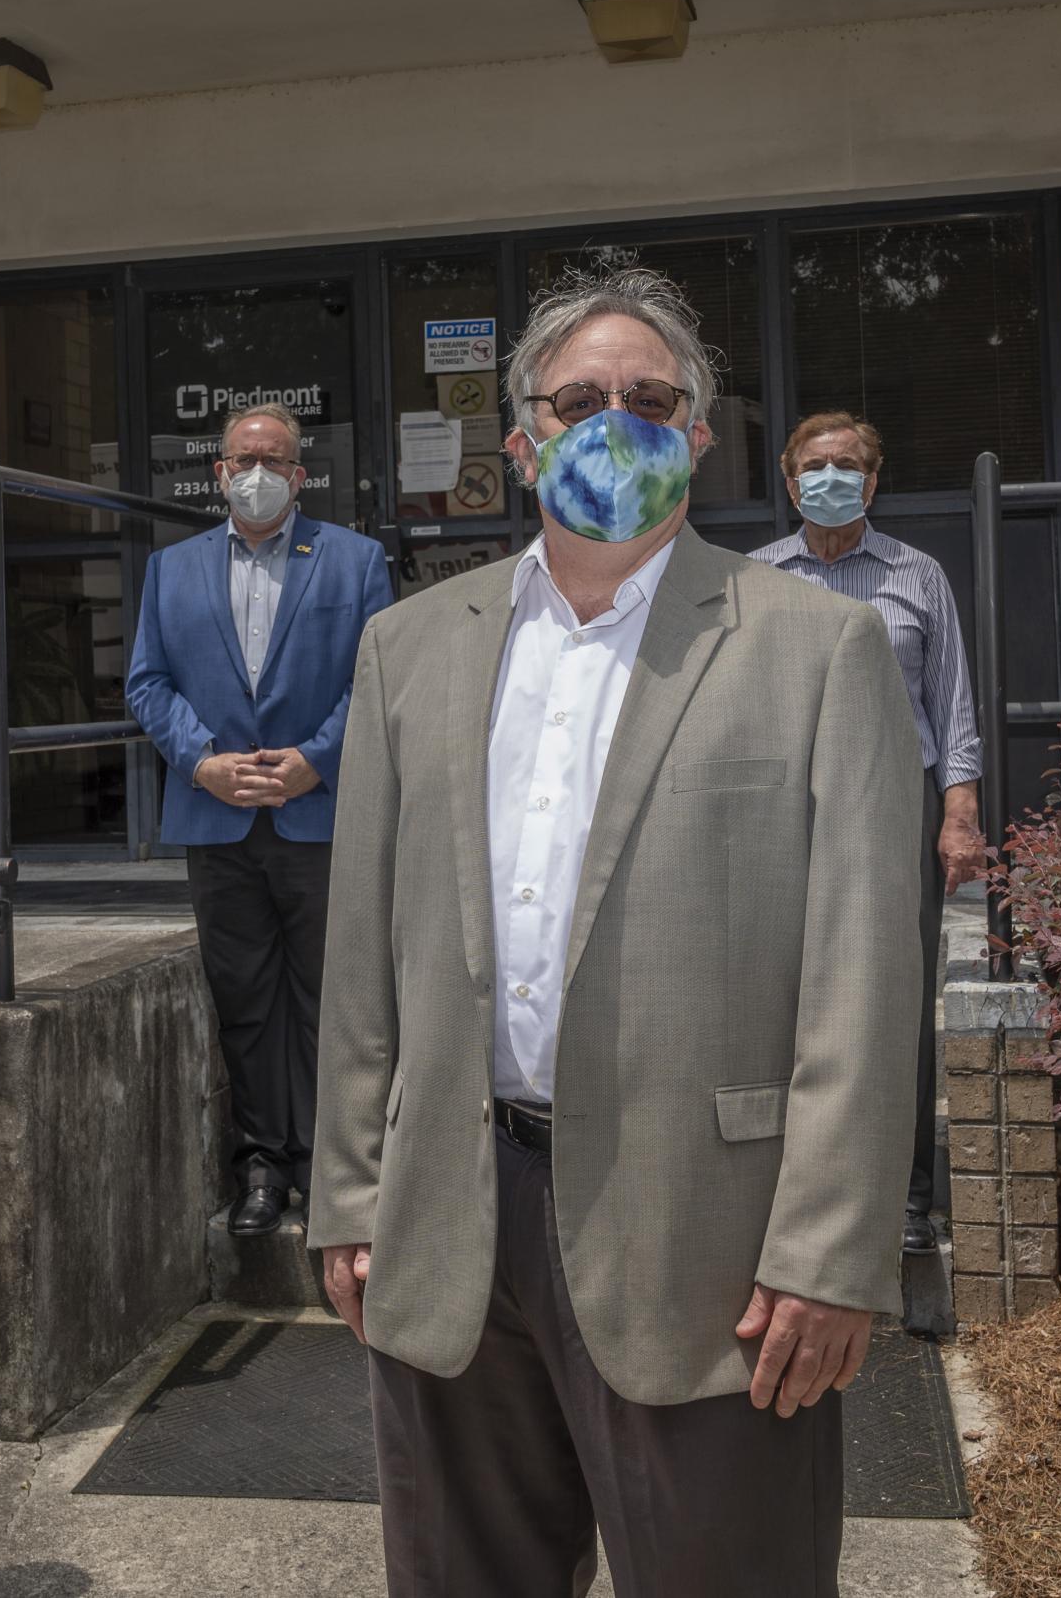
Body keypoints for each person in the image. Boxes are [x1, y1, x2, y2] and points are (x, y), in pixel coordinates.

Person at [308, 269, 923, 1597]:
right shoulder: (409, 647)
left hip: (710, 1243)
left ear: (699, 435)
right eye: (578, 401)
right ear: (521, 441)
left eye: (649, 399)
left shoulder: (820, 648)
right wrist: (350, 1196)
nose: (614, 424)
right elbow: (361, 954)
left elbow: (866, 976)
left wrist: (830, 1251)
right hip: (451, 1222)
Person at [127, 403, 394, 1236]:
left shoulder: (354, 560)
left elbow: (377, 677)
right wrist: (201, 762)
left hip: (320, 816)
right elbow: (147, 683)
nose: (256, 473)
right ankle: (263, 1167)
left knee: (330, 1000)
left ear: (300, 476)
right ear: (218, 472)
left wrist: (317, 758)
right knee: (244, 1001)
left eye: (274, 460)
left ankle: (330, 1166)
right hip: (218, 821)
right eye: (243, 459)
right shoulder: (170, 569)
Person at [752, 413, 986, 1257]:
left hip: (895, 801)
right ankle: (793, 1199)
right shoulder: (755, 578)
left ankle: (907, 1201)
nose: (831, 477)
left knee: (894, 998)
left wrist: (959, 815)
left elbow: (952, 704)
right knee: (782, 997)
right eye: (815, 466)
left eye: (848, 464)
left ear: (874, 481)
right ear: (790, 483)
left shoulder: (916, 575)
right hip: (785, 807)